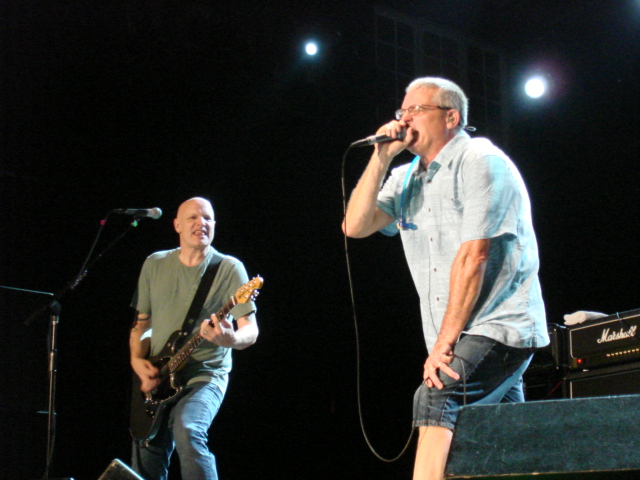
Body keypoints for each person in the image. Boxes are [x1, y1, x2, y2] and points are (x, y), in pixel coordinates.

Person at [343, 77, 548, 480]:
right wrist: (381, 158)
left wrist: (444, 344)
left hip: (498, 325)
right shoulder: (405, 178)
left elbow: (474, 257)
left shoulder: (481, 161)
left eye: (416, 110)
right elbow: (355, 225)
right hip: (458, 335)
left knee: (435, 397)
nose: (404, 119)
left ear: (451, 116)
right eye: (402, 112)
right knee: (507, 445)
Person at [129, 196, 259, 480]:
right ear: (177, 225)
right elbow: (142, 325)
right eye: (193, 217)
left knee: (188, 429)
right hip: (159, 377)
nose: (202, 223)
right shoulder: (154, 264)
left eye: (208, 218)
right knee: (146, 451)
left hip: (205, 374)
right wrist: (137, 362)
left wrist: (230, 340)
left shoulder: (229, 268)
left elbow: (250, 329)